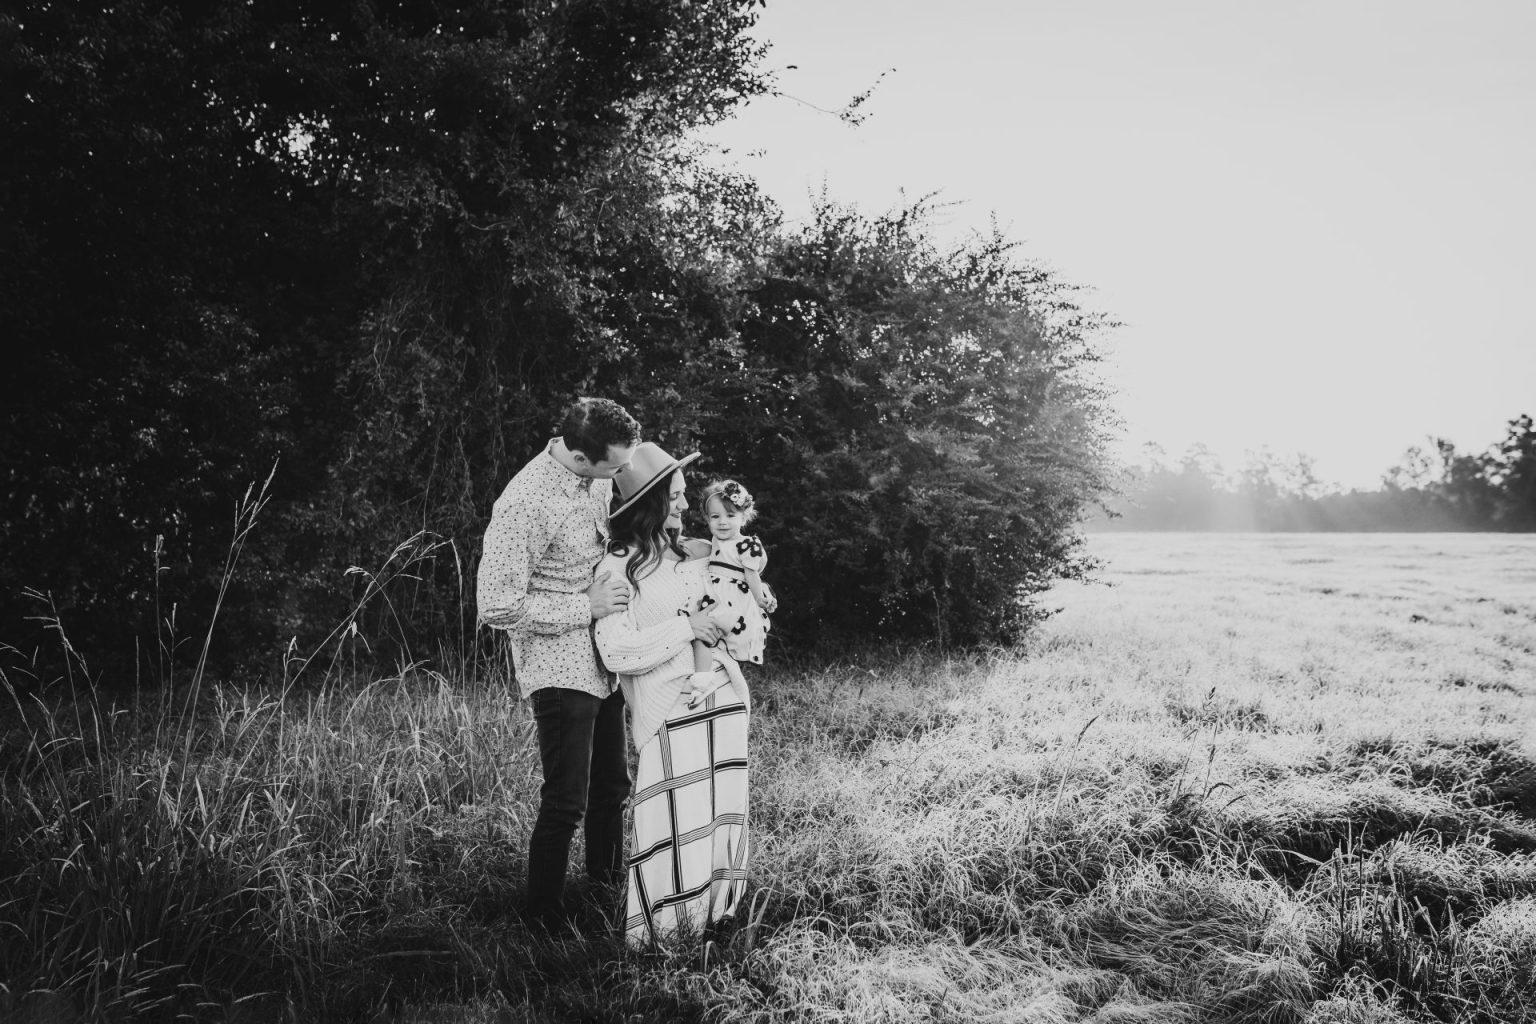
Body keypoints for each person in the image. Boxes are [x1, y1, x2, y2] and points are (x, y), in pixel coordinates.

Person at [476, 397, 641, 931]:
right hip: (556, 664)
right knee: (566, 799)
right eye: (614, 467)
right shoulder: (525, 502)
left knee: (612, 787)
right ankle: (542, 922)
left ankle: (605, 891)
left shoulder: (594, 477)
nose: (621, 476)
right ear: (578, 455)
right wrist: (584, 606)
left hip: (602, 657)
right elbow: (497, 606)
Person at [592, 443, 751, 947]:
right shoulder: (619, 566)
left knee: (718, 810)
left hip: (720, 695)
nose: (685, 507)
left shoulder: (689, 554)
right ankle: (664, 934)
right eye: (677, 497)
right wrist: (687, 627)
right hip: (668, 710)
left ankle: (717, 917)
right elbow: (615, 650)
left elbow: (733, 589)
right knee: (675, 823)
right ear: (651, 501)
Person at [685, 478, 777, 709]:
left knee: (706, 637)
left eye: (730, 516)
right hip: (712, 596)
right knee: (702, 637)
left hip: (731, 602)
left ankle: (707, 684)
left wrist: (760, 599)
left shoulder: (747, 545)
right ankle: (705, 680)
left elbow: (753, 575)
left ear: (743, 517)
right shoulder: (713, 541)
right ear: (707, 519)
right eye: (715, 517)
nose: (723, 522)